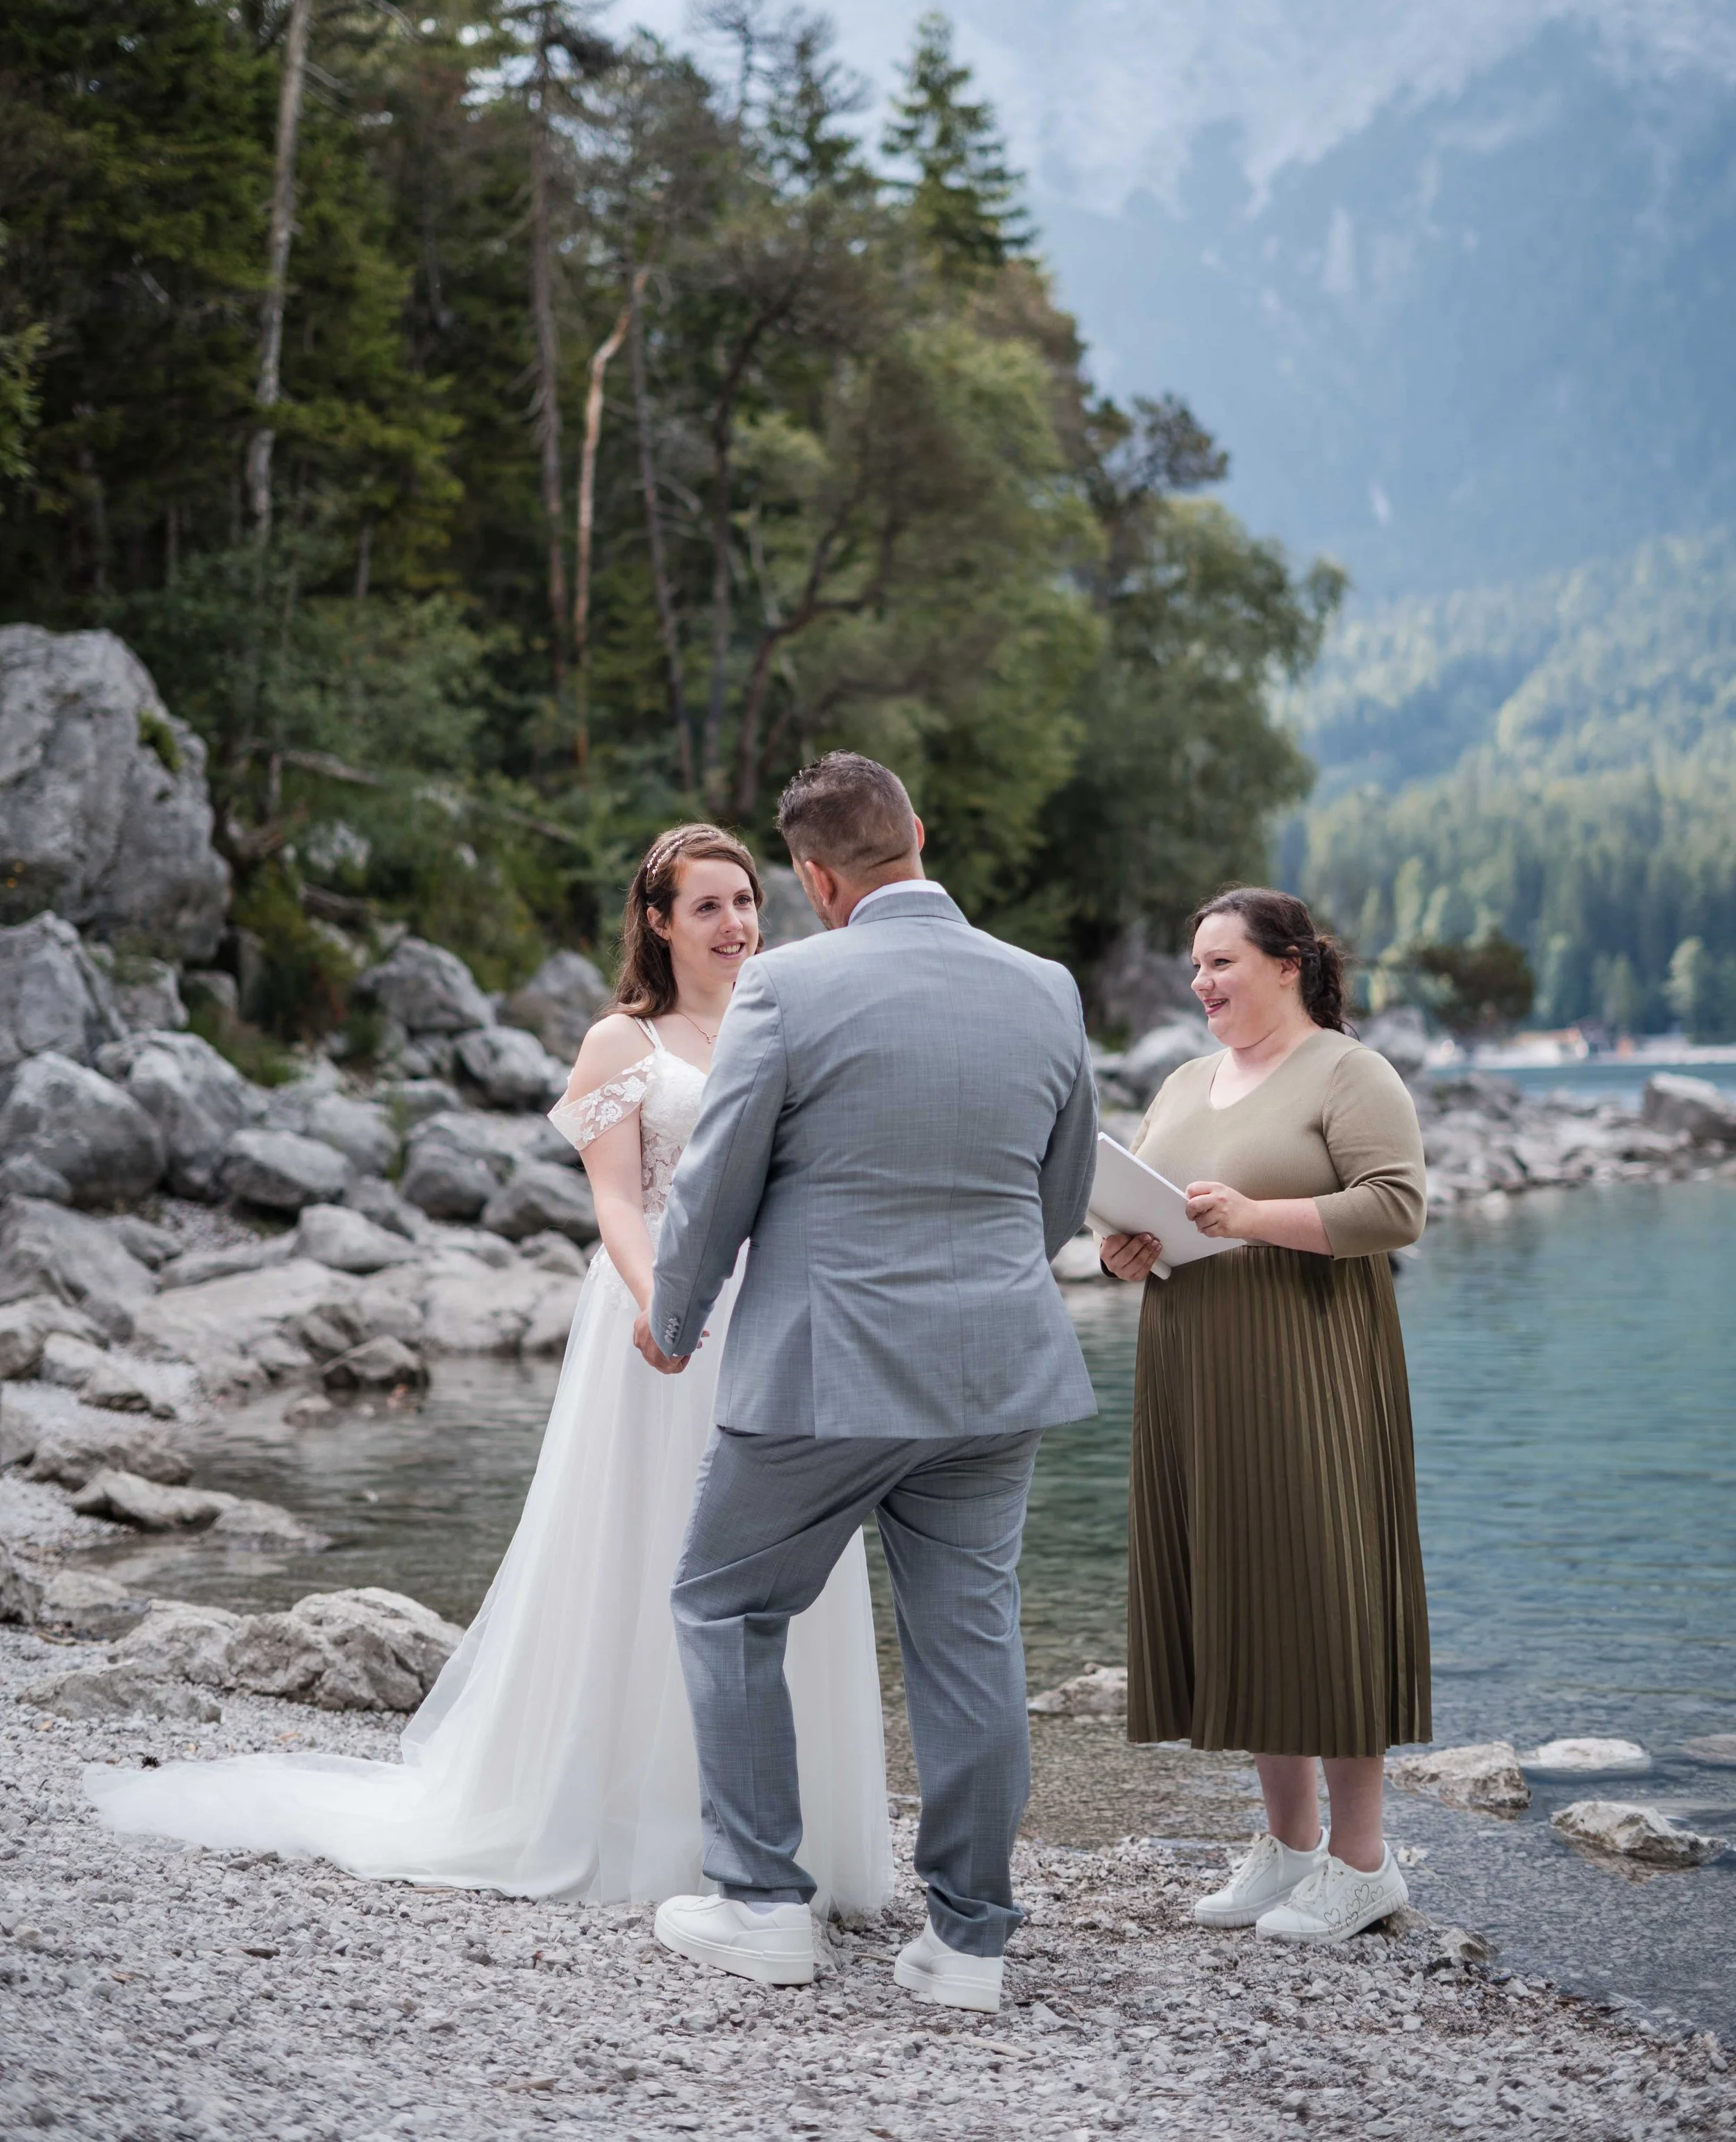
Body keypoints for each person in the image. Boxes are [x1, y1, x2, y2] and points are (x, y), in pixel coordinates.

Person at [88, 823, 892, 1916]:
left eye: (746, 900)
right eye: (707, 905)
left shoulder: (782, 1019)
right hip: (658, 1314)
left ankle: (785, 1834)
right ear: (658, 922)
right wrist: (668, 1296)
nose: (737, 923)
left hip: (775, 1325)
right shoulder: (624, 1043)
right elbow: (614, 1197)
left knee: (778, 1570)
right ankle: (639, 1824)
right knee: (649, 1554)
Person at [639, 753, 1099, 2011]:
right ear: (922, 832)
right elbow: (1059, 1199)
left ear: (812, 874)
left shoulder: (785, 983)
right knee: (970, 1644)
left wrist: (671, 1319)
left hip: (823, 1373)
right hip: (996, 1373)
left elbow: (717, 1180)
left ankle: (763, 1904)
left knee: (727, 1603)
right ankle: (969, 1944)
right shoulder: (1046, 986)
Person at [1101, 886, 1429, 1946]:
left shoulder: (1351, 1070)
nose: (1203, 982)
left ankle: (1363, 1860)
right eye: (1196, 965)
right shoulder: (1186, 1081)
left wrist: (1251, 1217)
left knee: (1328, 1591)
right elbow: (1145, 1199)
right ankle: (1287, 1845)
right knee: (1243, 1587)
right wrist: (1125, 1249)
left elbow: (1396, 1205)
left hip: (1313, 1370)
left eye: (1222, 961)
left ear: (1288, 962)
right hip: (1196, 1370)